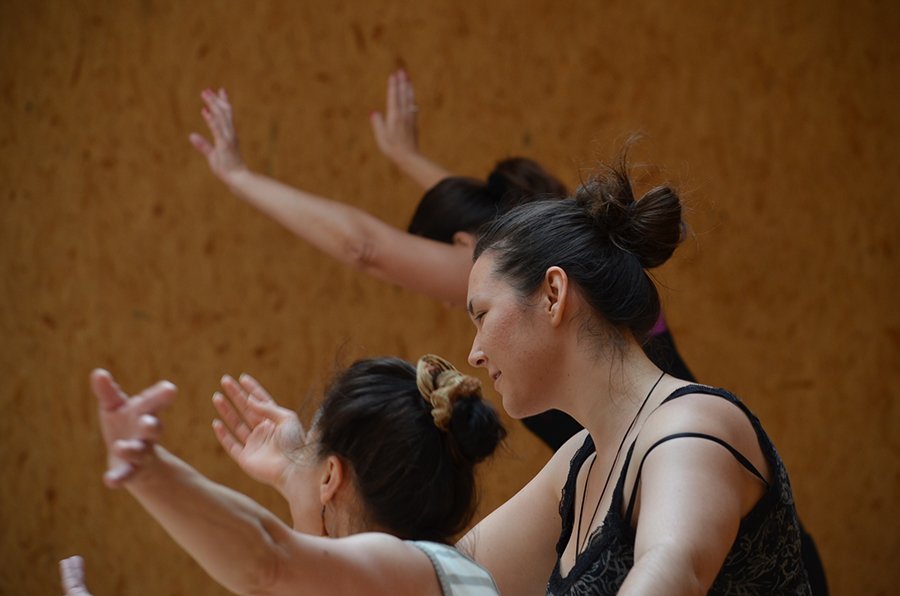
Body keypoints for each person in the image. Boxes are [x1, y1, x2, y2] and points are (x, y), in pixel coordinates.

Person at [188, 70, 695, 452]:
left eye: (476, 308)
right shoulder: (594, 252)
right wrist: (406, 157)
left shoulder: (512, 263)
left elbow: (364, 247)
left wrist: (240, 177)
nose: (458, 308)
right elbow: (501, 218)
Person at [453, 154, 813, 594]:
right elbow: (450, 579)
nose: (474, 354)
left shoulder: (691, 428)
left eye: (482, 315)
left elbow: (673, 571)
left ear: (552, 294)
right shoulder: (578, 463)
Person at [79, 355, 504, 595]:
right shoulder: (457, 575)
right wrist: (295, 474)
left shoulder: (403, 567)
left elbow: (267, 560)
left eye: (307, 446)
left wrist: (147, 470)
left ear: (331, 477)